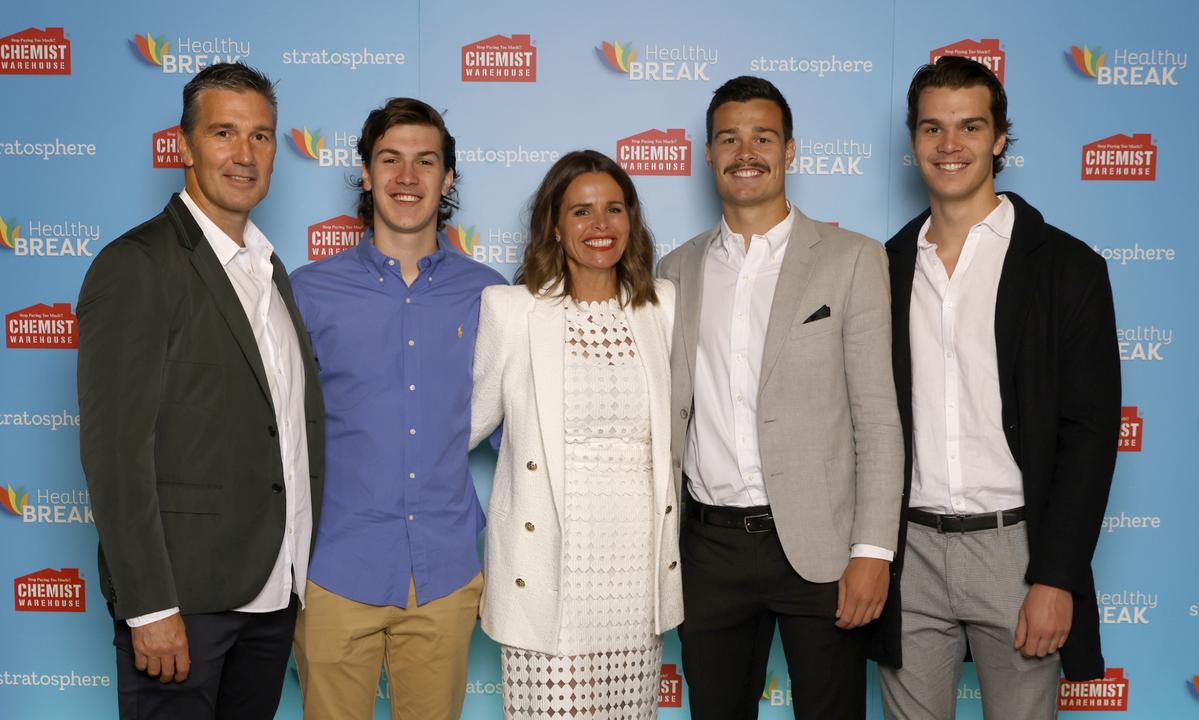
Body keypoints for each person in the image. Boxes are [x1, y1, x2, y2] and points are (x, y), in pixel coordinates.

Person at [76, 62, 323, 719]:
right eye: (223, 132)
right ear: (183, 145)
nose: (244, 155)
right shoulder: (138, 266)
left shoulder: (272, 272)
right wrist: (149, 606)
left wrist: (298, 581)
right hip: (182, 607)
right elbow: (116, 455)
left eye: (262, 136)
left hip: (273, 598)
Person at [877, 56, 1120, 719]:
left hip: (1018, 550)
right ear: (914, 140)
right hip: (911, 552)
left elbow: (1091, 434)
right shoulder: (884, 267)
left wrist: (1056, 574)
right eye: (932, 128)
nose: (949, 145)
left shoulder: (1068, 268)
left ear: (1000, 139)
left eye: (970, 126)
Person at [657, 76, 903, 720]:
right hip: (709, 548)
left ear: (790, 151)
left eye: (763, 137)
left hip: (821, 548)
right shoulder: (672, 272)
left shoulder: (852, 259)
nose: (747, 152)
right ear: (707, 154)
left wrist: (873, 553)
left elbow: (878, 419)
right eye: (729, 138)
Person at [288, 98, 503, 720]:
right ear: (365, 171)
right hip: (332, 571)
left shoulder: (492, 295)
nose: (407, 178)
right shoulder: (308, 290)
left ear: (448, 178)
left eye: (424, 161)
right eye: (390, 159)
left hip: (445, 574)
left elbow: (525, 436)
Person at [470, 149, 682, 719]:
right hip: (547, 569)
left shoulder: (662, 307)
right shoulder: (511, 310)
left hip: (636, 575)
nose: (600, 226)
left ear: (631, 221)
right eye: (582, 211)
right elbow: (461, 427)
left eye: (614, 209)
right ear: (555, 225)